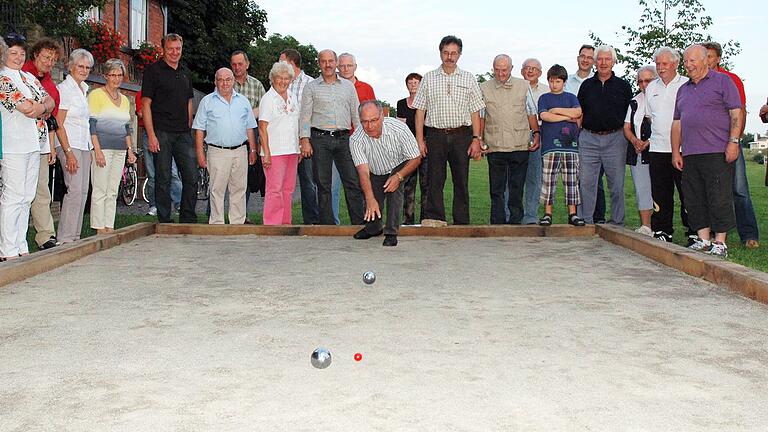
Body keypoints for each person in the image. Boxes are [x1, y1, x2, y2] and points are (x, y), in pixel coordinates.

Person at [672, 44, 742, 258]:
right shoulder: (683, 89)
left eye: (692, 60)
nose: (688, 65)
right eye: (685, 61)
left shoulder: (723, 82)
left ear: (705, 60)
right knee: (694, 197)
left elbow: (736, 114)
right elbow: (677, 123)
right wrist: (676, 151)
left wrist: (734, 141)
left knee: (719, 196)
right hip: (691, 153)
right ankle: (703, 239)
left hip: (717, 150)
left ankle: (720, 242)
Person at [413, 35, 485, 226]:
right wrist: (420, 140)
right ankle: (435, 219)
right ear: (440, 53)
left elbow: (475, 110)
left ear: (459, 55)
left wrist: (476, 138)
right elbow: (420, 111)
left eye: (453, 53)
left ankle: (461, 222)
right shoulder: (428, 78)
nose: (449, 57)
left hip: (462, 135)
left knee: (461, 181)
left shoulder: (468, 78)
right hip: (435, 135)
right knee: (435, 180)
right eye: (446, 53)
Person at [0, 34, 54, 261]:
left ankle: (21, 244)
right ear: (3, 54)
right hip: (13, 145)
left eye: (22, 53)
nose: (18, 57)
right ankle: (7, 249)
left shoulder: (30, 78)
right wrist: (41, 107)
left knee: (27, 196)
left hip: (35, 144)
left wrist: (40, 106)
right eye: (13, 52)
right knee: (13, 196)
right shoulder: (3, 79)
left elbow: (50, 101)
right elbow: (25, 108)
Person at [703, 41, 760, 249]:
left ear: (718, 58)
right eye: (703, 56)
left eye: (710, 56)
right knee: (710, 189)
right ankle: (707, 233)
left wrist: (735, 139)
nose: (706, 60)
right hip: (707, 144)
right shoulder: (697, 81)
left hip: (729, 140)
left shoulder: (731, 79)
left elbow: (740, 110)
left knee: (739, 188)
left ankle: (749, 234)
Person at [298, 49, 365, 225]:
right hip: (320, 140)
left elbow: (356, 115)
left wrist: (360, 139)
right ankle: (327, 227)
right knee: (323, 185)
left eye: (330, 61)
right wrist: (304, 139)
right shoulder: (311, 87)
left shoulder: (348, 86)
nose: (327, 65)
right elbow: (305, 116)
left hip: (344, 140)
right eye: (323, 61)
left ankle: (359, 224)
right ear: (319, 63)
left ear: (336, 63)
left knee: (352, 182)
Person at [141, 33, 198, 224]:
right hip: (161, 132)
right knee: (163, 178)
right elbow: (145, 104)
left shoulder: (184, 71)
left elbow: (189, 101)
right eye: (170, 49)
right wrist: (151, 135)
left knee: (191, 176)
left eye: (178, 49)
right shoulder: (153, 71)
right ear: (163, 49)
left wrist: (189, 124)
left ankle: (188, 217)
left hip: (183, 133)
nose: (175, 52)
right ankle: (165, 219)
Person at [350, 100, 421, 246]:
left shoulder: (399, 129)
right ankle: (373, 229)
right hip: (375, 169)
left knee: (394, 189)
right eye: (365, 122)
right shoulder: (355, 139)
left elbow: (416, 157)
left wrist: (399, 176)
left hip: (401, 164)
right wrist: (370, 199)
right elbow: (363, 172)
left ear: (382, 116)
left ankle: (391, 232)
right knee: (372, 199)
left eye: (374, 120)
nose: (369, 126)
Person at [480, 54, 539, 224]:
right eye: (497, 70)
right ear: (493, 69)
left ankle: (515, 221)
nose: (501, 73)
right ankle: (497, 222)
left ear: (511, 69)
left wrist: (536, 133)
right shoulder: (484, 87)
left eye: (504, 70)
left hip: (519, 145)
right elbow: (482, 116)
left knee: (516, 187)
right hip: (495, 145)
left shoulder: (523, 86)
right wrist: (480, 139)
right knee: (496, 189)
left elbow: (530, 112)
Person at [192, 68, 257, 225]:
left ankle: (237, 223)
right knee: (216, 190)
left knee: (239, 190)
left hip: (240, 151)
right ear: (215, 81)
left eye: (228, 79)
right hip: (217, 152)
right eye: (220, 79)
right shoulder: (206, 101)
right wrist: (200, 153)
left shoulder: (243, 101)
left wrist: (253, 149)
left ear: (233, 80)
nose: (224, 83)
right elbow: (199, 129)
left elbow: (250, 127)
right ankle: (216, 224)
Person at [577, 45, 632, 225]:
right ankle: (585, 221)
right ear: (595, 62)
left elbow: (629, 116)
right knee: (586, 184)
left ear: (614, 62)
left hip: (615, 139)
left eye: (607, 59)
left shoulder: (623, 86)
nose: (603, 63)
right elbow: (579, 113)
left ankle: (617, 223)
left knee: (616, 185)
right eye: (600, 59)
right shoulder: (586, 86)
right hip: (588, 138)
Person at [644, 46, 693, 243]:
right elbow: (649, 117)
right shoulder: (651, 87)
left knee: (687, 193)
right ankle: (662, 231)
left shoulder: (687, 85)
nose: (661, 67)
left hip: (682, 149)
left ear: (676, 63)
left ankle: (694, 232)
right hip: (657, 148)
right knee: (660, 192)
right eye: (658, 64)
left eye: (665, 63)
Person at [87, 59, 135, 234]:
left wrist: (130, 150)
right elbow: (91, 125)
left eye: (119, 75)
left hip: (120, 149)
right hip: (103, 149)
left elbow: (126, 128)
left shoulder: (124, 99)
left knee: (113, 190)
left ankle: (109, 226)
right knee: (100, 188)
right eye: (113, 75)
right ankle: (99, 228)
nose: (116, 78)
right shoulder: (96, 95)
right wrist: (97, 149)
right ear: (105, 76)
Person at [22, 37, 61, 250]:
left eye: (54, 59)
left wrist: (51, 147)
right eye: (47, 57)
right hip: (20, 143)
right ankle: (13, 239)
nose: (49, 62)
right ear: (36, 54)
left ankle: (45, 235)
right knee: (18, 193)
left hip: (41, 142)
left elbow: (51, 117)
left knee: (41, 189)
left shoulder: (49, 83)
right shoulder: (23, 74)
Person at [564, 44, 607, 224]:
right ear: (578, 58)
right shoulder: (567, 82)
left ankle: (598, 218)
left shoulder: (600, 81)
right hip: (570, 135)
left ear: (595, 61)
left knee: (594, 178)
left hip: (592, 134)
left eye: (590, 57)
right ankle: (577, 216)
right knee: (575, 177)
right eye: (583, 56)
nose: (586, 60)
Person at [537, 64, 584, 226]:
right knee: (548, 181)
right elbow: (544, 116)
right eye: (551, 81)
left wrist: (556, 110)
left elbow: (577, 113)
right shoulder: (544, 98)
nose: (553, 84)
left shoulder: (571, 97)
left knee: (571, 180)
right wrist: (565, 116)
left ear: (564, 82)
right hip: (550, 147)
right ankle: (547, 213)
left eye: (557, 81)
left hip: (570, 147)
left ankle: (573, 214)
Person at [55, 48, 93, 244]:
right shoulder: (65, 89)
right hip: (70, 145)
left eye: (87, 67)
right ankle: (65, 238)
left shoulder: (84, 89)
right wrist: (68, 153)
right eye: (80, 66)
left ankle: (75, 236)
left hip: (84, 145)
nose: (84, 70)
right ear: (70, 66)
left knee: (84, 191)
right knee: (75, 190)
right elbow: (59, 123)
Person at [333, 52, 377, 223]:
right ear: (338, 67)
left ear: (355, 67)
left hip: (364, 142)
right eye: (342, 66)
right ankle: (345, 223)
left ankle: (369, 220)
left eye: (349, 65)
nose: (345, 69)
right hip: (342, 141)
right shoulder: (333, 87)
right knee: (340, 185)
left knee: (365, 182)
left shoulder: (366, 88)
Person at [258, 62, 300, 225]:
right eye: (279, 78)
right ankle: (272, 224)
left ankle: (285, 223)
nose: (283, 81)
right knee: (274, 189)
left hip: (291, 150)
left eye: (286, 78)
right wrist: (266, 152)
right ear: (272, 79)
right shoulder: (268, 99)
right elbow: (262, 127)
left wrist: (298, 147)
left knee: (288, 189)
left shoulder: (292, 96)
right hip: (274, 152)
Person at [280, 48, 318, 224]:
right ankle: (281, 220)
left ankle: (311, 222)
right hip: (283, 142)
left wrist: (304, 141)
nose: (278, 64)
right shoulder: (280, 83)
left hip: (305, 141)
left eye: (281, 61)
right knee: (282, 184)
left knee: (308, 182)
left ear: (291, 63)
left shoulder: (310, 84)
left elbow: (310, 115)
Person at [231, 50, 267, 221]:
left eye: (240, 64)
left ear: (247, 64)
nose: (237, 67)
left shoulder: (257, 85)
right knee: (220, 179)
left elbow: (265, 112)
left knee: (244, 178)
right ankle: (212, 215)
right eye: (234, 64)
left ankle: (241, 216)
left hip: (250, 135)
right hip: (228, 134)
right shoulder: (225, 82)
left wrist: (260, 141)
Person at [135, 89, 182, 216]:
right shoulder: (141, 93)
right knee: (152, 173)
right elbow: (141, 113)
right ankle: (154, 206)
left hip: (165, 134)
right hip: (148, 134)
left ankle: (179, 205)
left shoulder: (165, 92)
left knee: (172, 172)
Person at [623, 65, 656, 236]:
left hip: (659, 150)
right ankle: (646, 226)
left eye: (648, 80)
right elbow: (627, 126)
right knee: (642, 188)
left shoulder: (664, 98)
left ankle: (663, 227)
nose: (644, 84)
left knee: (661, 189)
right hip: (638, 151)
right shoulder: (634, 102)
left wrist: (649, 141)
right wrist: (635, 140)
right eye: (640, 81)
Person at [396, 72, 428, 225]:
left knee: (426, 184)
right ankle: (407, 220)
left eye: (416, 82)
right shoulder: (401, 103)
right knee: (408, 185)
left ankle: (425, 219)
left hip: (425, 148)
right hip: (408, 149)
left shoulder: (428, 103)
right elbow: (401, 127)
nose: (413, 84)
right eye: (410, 82)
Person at [520, 58, 548, 225]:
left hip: (537, 134)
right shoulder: (515, 87)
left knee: (534, 177)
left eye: (534, 69)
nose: (530, 71)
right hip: (515, 135)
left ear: (540, 72)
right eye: (527, 68)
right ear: (522, 70)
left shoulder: (546, 91)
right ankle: (511, 215)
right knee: (513, 178)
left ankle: (530, 216)